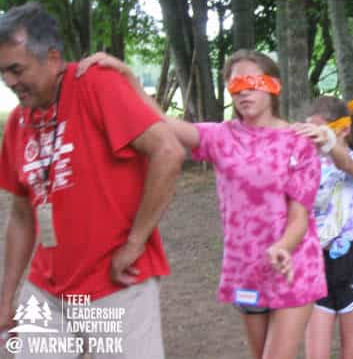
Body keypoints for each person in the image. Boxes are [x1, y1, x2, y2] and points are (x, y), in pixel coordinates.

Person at [78, 50, 326, 359]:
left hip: (293, 266)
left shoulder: (298, 141)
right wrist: (128, 76)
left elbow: (299, 217)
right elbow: (160, 122)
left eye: (252, 82)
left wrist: (282, 248)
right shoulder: (221, 137)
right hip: (246, 269)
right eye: (235, 85)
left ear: (273, 85)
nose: (243, 91)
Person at [0, 3, 183, 358]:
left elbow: (168, 152)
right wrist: (6, 296)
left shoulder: (95, 85)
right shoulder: (17, 124)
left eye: (16, 69)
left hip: (115, 285)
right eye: (2, 72)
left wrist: (135, 242)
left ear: (53, 58)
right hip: (47, 291)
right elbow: (22, 213)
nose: (9, 82)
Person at [291, 96, 353, 359]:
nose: (314, 139)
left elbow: (350, 166)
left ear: (342, 129)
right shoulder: (304, 165)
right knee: (315, 352)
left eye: (320, 132)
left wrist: (329, 143)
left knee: (351, 352)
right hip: (313, 260)